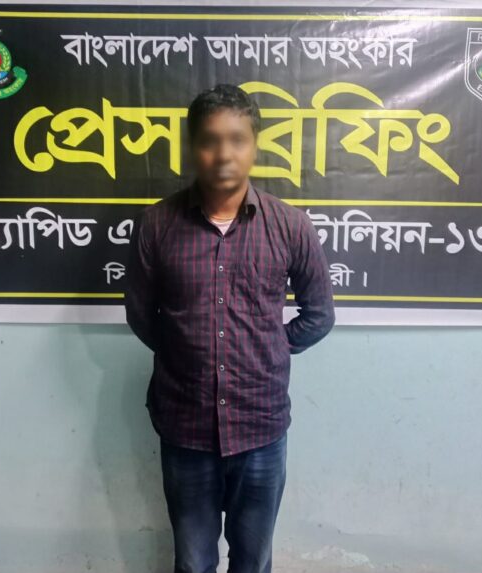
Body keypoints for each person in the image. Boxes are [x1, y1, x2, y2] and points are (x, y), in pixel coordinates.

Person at [124, 83, 335, 573]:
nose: (224, 154)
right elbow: (141, 314)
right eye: (210, 140)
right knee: (193, 562)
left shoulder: (290, 226)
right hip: (185, 427)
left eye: (237, 140)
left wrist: (270, 348)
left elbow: (319, 314)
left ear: (254, 145)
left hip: (260, 426)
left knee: (253, 561)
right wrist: (185, 351)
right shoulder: (156, 225)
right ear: (191, 147)